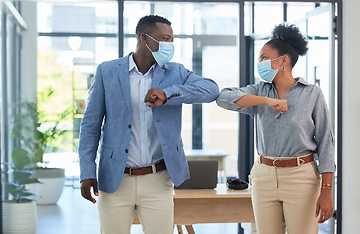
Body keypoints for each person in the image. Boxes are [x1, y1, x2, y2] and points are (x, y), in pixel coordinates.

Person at [78, 15, 219, 234]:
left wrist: (168, 93)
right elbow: (90, 125)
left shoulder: (176, 72)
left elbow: (211, 89)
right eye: (165, 39)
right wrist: (87, 171)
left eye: (172, 40)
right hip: (115, 179)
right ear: (144, 38)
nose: (169, 45)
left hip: (158, 180)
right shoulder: (107, 71)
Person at [216, 24, 335, 234]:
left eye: (264, 57)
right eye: (259, 59)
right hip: (263, 176)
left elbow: (326, 143)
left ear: (283, 60)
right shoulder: (259, 91)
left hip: (301, 177)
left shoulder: (312, 94)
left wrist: (327, 191)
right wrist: (266, 101)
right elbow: (223, 98)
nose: (259, 63)